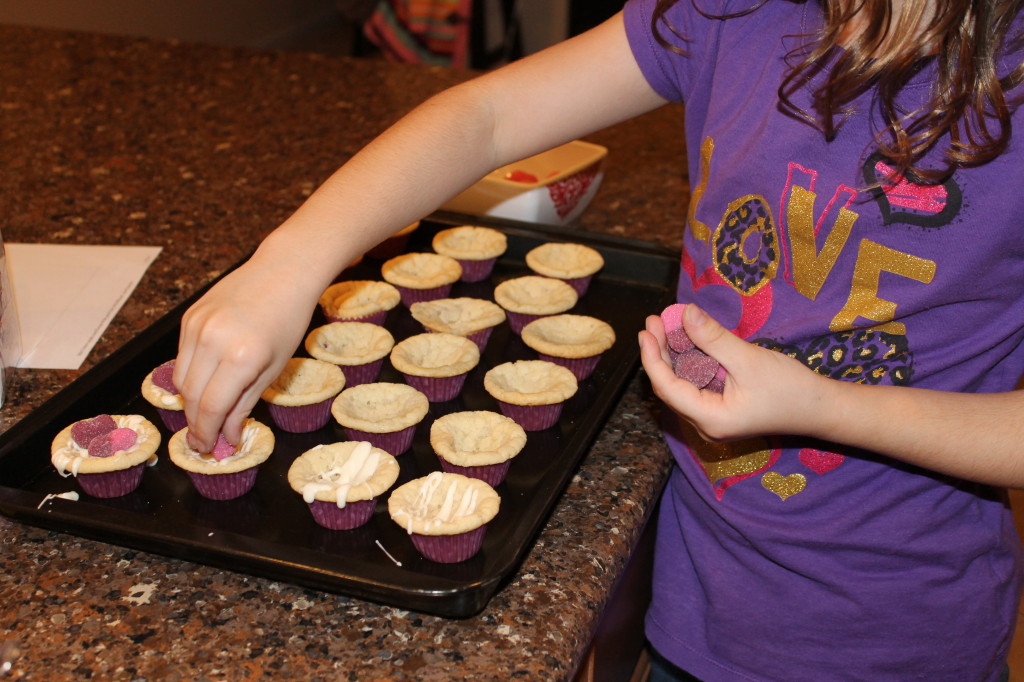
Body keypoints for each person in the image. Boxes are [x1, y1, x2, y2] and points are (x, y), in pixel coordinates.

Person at [173, 0, 1024, 679]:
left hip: (892, 634)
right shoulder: (732, 9)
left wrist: (824, 410)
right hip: (693, 592)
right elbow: (488, 114)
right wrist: (292, 259)